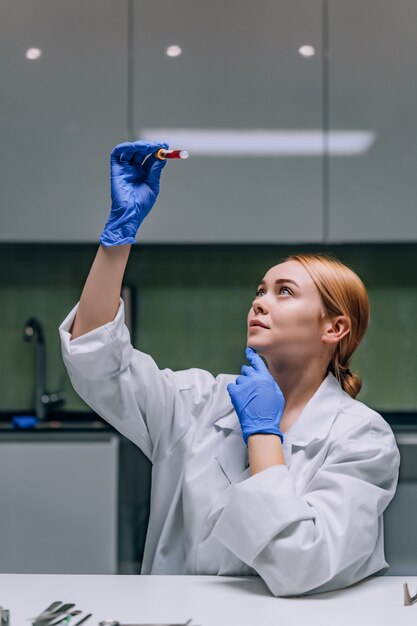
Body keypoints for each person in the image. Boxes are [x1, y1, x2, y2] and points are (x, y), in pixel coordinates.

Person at [59, 141, 400, 597]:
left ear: (334, 327)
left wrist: (261, 433)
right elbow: (96, 358)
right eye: (260, 289)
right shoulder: (198, 403)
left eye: (284, 291)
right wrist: (116, 239)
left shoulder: (362, 438)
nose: (259, 300)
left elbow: (300, 564)